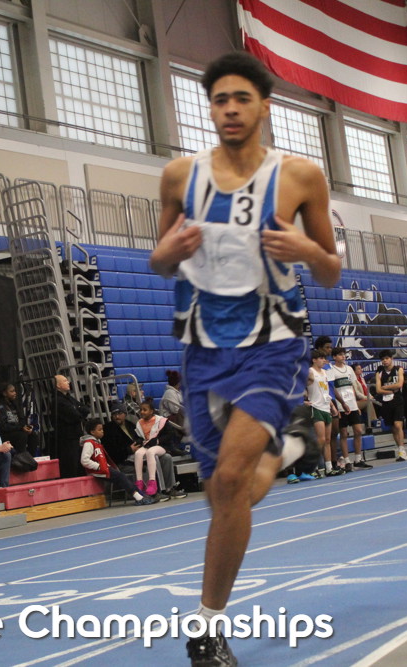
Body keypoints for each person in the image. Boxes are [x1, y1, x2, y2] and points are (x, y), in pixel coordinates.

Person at [148, 52, 337, 665]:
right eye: (220, 100)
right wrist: (170, 251)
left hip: (273, 345)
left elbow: (331, 271)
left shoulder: (299, 176)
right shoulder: (180, 176)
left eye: (241, 99)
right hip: (204, 351)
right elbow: (159, 260)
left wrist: (306, 249)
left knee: (230, 481)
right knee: (225, 495)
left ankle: (207, 627)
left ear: (264, 106)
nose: (230, 109)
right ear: (211, 109)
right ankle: (289, 447)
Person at [80, 419, 155, 506]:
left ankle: (142, 495)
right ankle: (139, 498)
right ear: (92, 432)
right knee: (121, 477)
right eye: (99, 430)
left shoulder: (97, 442)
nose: (102, 431)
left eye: (102, 429)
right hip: (98, 471)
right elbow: (84, 460)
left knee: (122, 476)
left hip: (103, 469)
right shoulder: (88, 443)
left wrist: (106, 466)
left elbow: (100, 458)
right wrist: (99, 467)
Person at [328, 348, 371, 470]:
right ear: (334, 357)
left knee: (358, 430)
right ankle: (347, 460)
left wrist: (355, 404)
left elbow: (352, 386)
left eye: (344, 354)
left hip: (352, 404)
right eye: (340, 355)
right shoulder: (331, 370)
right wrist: (338, 405)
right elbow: (332, 389)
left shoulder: (349, 369)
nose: (343, 357)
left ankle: (358, 458)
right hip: (341, 406)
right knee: (343, 433)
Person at [134, 399, 183, 497]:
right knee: (138, 453)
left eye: (145, 410)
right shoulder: (139, 423)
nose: (142, 412)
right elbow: (139, 436)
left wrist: (157, 440)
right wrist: (139, 440)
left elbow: (170, 434)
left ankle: (152, 483)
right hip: (147, 445)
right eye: (141, 410)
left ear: (151, 411)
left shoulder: (161, 421)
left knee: (151, 452)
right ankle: (139, 483)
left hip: (161, 446)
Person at [306, 349, 341, 477]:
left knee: (327, 440)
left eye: (324, 358)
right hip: (316, 407)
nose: (323, 361)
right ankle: (313, 467)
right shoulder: (310, 371)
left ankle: (329, 467)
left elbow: (325, 391)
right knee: (320, 439)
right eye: (321, 358)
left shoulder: (325, 373)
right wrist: (304, 400)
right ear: (314, 360)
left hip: (326, 407)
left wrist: (332, 406)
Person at [53, 374, 88, 478]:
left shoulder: (69, 398)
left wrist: (77, 410)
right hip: (67, 438)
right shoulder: (57, 400)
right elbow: (75, 416)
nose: (68, 382)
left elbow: (86, 409)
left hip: (76, 435)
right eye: (65, 381)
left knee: (80, 464)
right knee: (71, 465)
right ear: (58, 385)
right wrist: (78, 410)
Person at [376, 350, 407, 462]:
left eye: (387, 358)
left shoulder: (398, 369)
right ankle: (400, 449)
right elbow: (378, 390)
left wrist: (385, 387)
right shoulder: (379, 372)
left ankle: (402, 450)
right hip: (386, 402)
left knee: (398, 425)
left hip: (397, 400)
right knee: (393, 428)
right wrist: (389, 390)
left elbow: (399, 384)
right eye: (383, 359)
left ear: (391, 359)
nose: (385, 361)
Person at [0, 383, 40, 455]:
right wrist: (20, 428)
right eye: (12, 391)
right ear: (4, 393)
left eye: (15, 391)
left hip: (16, 430)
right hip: (5, 434)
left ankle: (30, 458)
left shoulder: (14, 404)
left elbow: (22, 420)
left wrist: (26, 427)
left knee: (33, 435)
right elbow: (4, 427)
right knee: (22, 436)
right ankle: (20, 458)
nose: (15, 393)